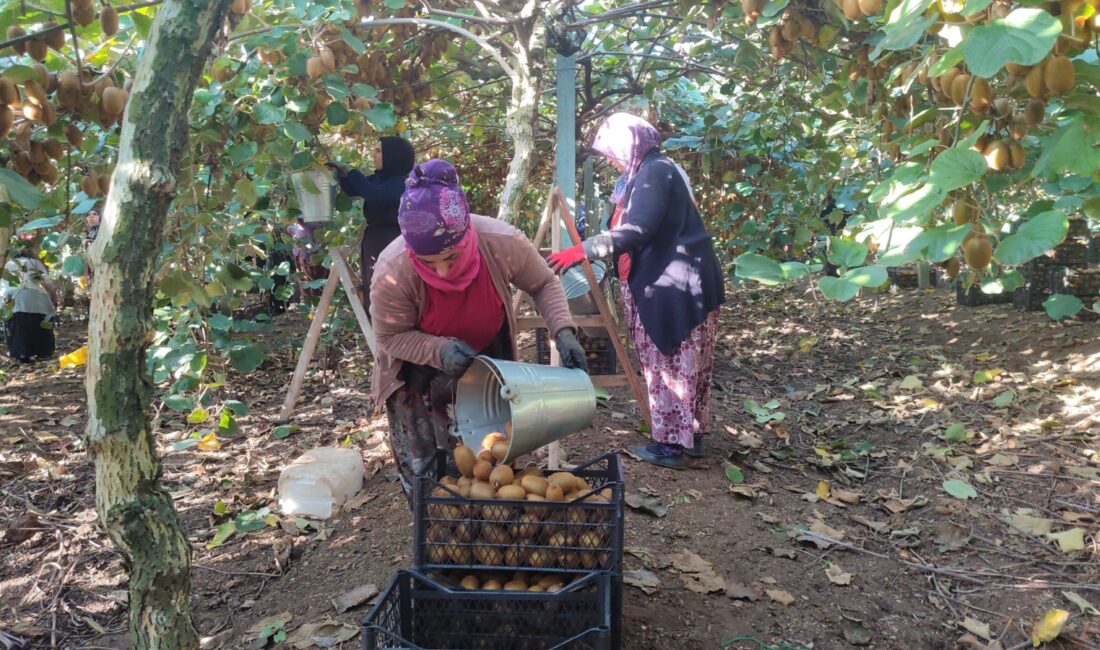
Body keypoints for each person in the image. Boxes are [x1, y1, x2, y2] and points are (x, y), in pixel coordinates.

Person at [369, 159, 588, 499]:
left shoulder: (500, 242)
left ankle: (492, 527)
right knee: (431, 480)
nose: (442, 272)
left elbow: (543, 283)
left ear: (467, 235)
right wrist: (438, 350)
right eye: (427, 263)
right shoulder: (393, 270)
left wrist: (563, 330)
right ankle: (436, 525)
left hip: (486, 362)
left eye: (451, 257)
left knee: (492, 461)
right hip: (416, 370)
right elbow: (388, 337)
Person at [549, 112, 725, 469]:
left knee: (669, 363)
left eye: (611, 153)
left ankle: (671, 446)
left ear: (628, 145)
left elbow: (639, 228)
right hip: (682, 280)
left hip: (673, 286)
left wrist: (584, 249)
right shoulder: (648, 171)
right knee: (687, 364)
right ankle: (688, 437)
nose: (610, 161)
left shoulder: (654, 172)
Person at [327, 136, 416, 317]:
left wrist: (351, 172)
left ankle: (396, 325)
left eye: (378, 151)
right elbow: (354, 189)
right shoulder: (378, 178)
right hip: (375, 241)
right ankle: (378, 324)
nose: (373, 155)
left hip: (393, 241)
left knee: (391, 288)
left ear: (392, 156)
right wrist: (341, 176)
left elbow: (373, 193)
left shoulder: (402, 183)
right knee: (374, 285)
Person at [2, 237, 56, 363]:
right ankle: (43, 353)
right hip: (38, 300)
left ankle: (22, 356)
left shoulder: (9, 264)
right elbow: (48, 283)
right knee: (39, 327)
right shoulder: (35, 263)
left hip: (14, 299)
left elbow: (3, 285)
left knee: (19, 329)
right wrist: (53, 298)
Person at [286, 217, 325, 299]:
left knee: (311, 276)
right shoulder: (300, 224)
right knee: (305, 277)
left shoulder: (311, 223)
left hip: (309, 254)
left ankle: (315, 298)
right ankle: (310, 298)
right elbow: (290, 229)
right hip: (302, 254)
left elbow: (290, 229)